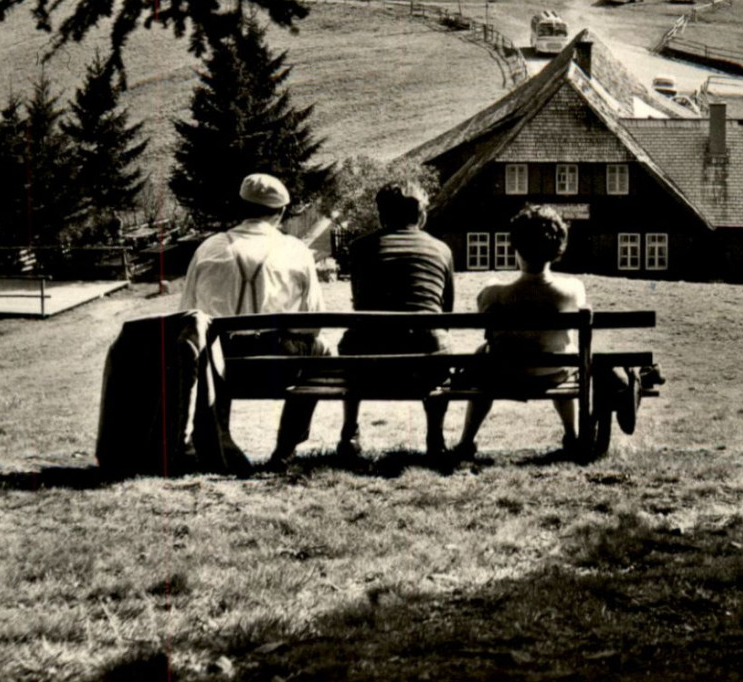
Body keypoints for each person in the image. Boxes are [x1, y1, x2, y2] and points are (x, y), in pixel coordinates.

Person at [451, 204, 625, 460]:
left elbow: (485, 325)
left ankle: (466, 440)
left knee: (483, 362)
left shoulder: (494, 292)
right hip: (553, 374)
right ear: (558, 249)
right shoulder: (573, 290)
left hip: (503, 374)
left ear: (516, 247)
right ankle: (572, 435)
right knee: (565, 353)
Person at [180, 172, 326, 471]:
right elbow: (313, 323)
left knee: (208, 348)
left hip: (220, 368)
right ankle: (285, 450)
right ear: (282, 212)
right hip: (279, 365)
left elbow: (188, 315)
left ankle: (220, 437)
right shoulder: (295, 250)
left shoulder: (208, 249)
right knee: (321, 351)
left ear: (241, 207)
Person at [340, 180, 456, 462]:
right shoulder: (441, 250)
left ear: (381, 215)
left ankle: (349, 432)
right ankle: (435, 437)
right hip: (424, 363)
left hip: (370, 361)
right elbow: (447, 311)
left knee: (351, 339)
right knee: (438, 339)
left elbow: (361, 302)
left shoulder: (359, 248)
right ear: (421, 215)